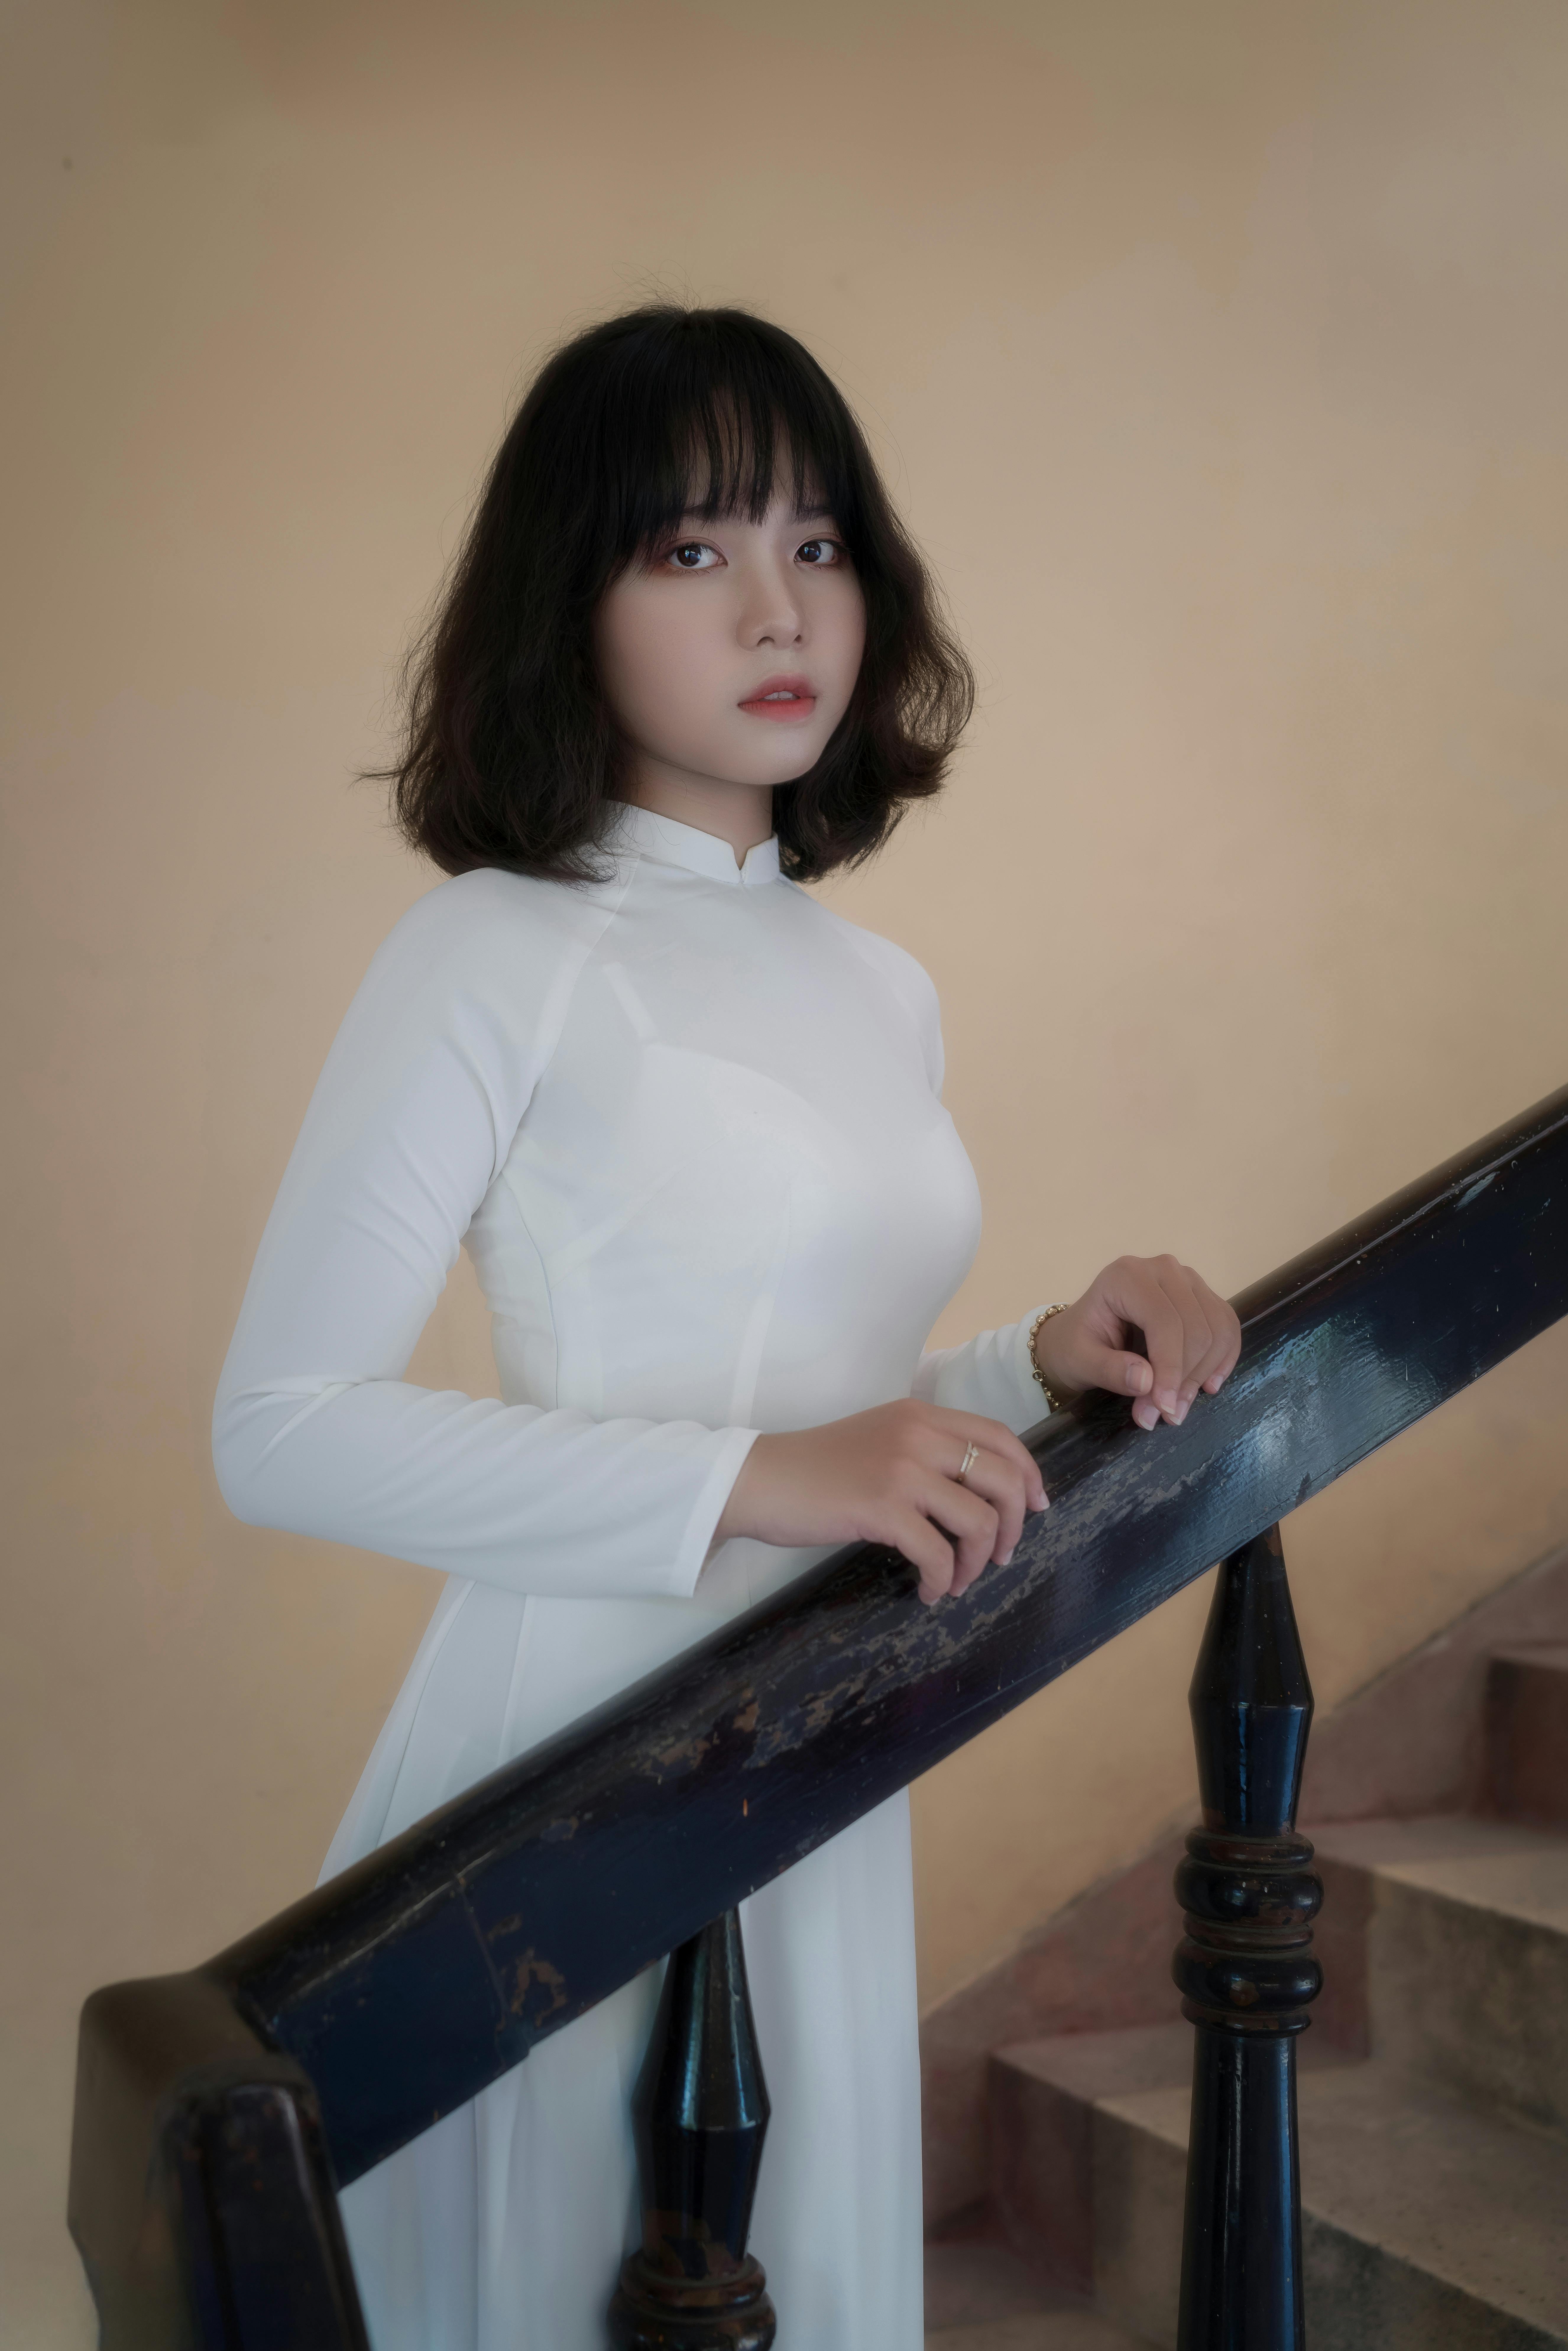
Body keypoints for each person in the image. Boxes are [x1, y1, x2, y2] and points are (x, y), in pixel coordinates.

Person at [213, 304, 1241, 2351]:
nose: (779, 605)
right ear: (563, 599)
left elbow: (831, 1413)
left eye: (818, 539)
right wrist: (761, 1481)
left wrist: (1034, 1358)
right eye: (687, 551)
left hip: (817, 1742)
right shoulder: (492, 949)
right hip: (582, 1758)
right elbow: (282, 1423)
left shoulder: (875, 987)